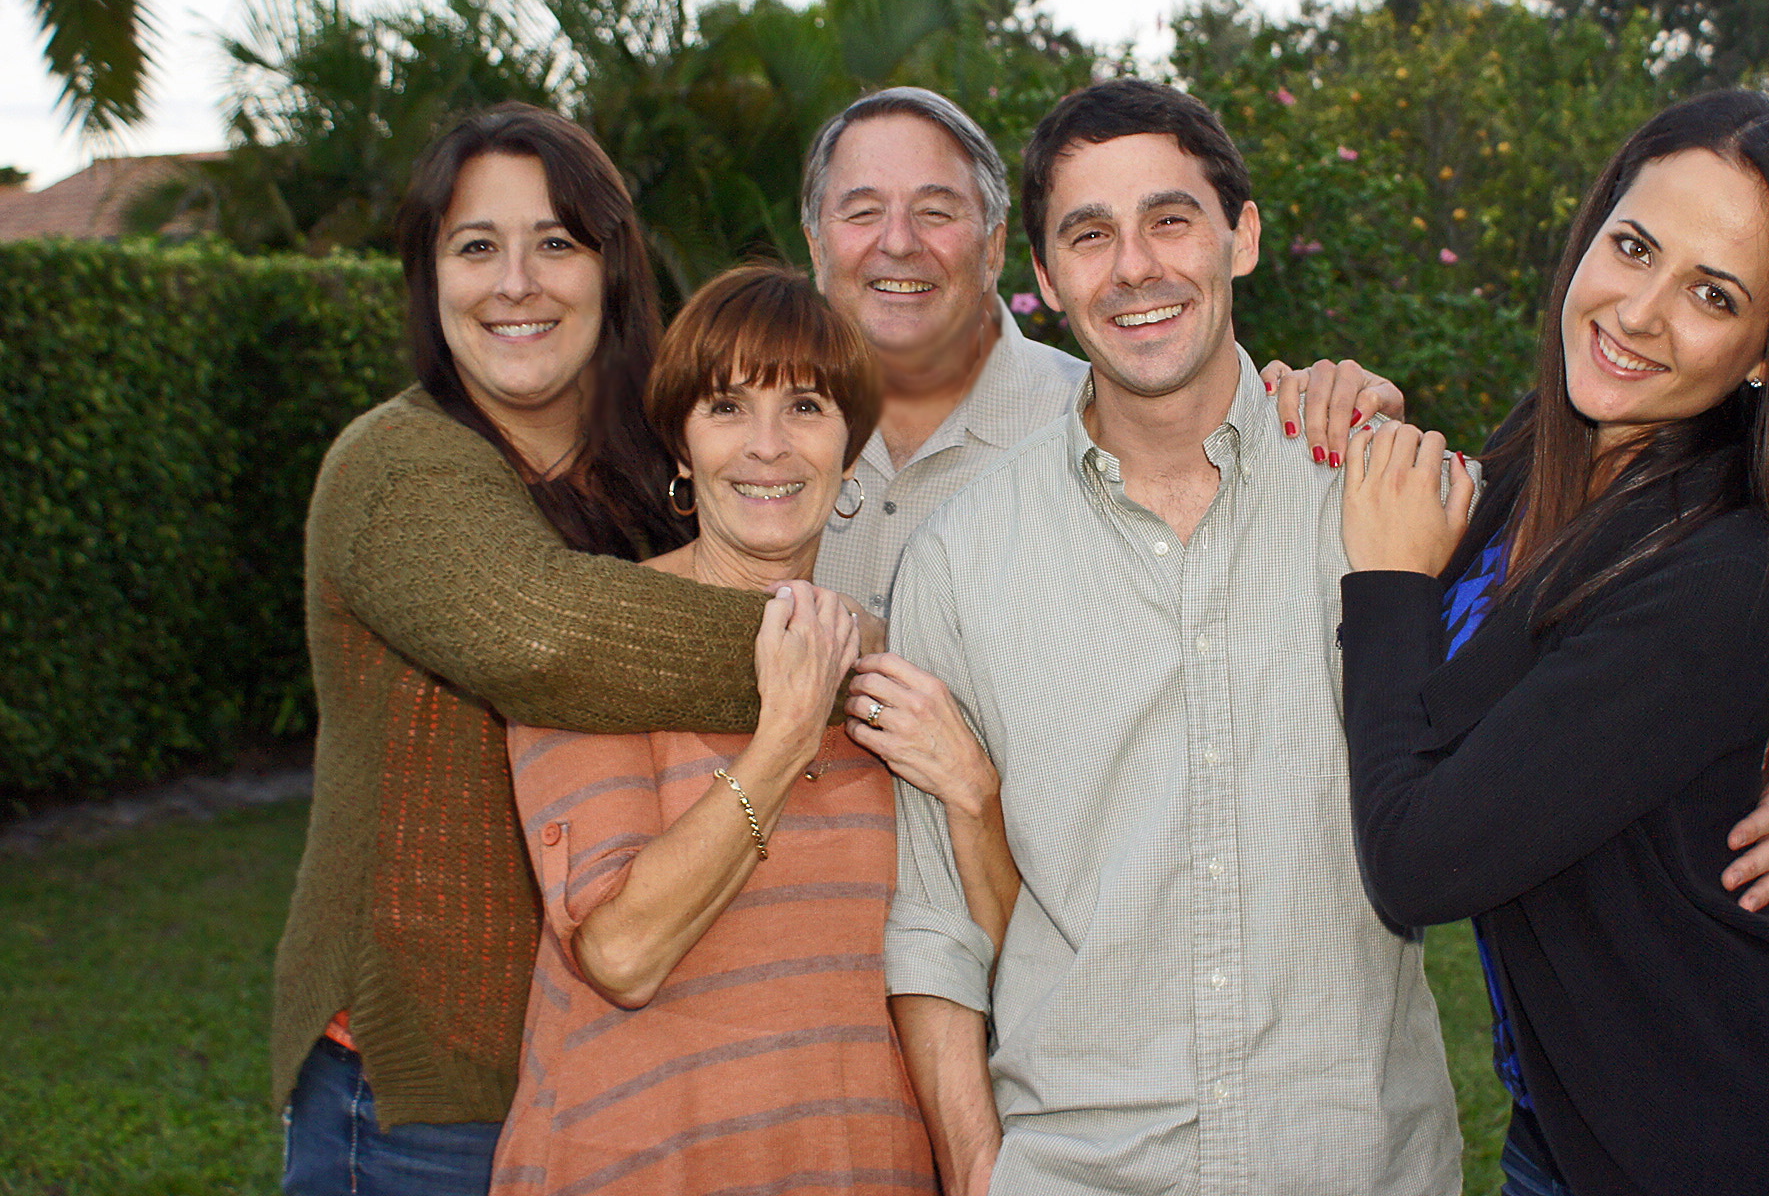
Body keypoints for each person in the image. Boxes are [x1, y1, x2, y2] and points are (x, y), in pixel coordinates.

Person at [879, 80, 1769, 1196]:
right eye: (1089, 234)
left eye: (1170, 219)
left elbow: (1599, 657)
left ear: (1244, 235)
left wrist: (1743, 767)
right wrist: (981, 1172)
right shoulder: (956, 560)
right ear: (1042, 279)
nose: (1134, 267)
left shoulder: (1397, 504)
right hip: (1076, 1172)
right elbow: (932, 921)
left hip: (1358, 1164)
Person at [1338, 89, 1769, 1195]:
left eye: (1711, 292)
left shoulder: (1728, 574)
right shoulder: (1533, 475)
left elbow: (1413, 864)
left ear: (1767, 353)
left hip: (1712, 1150)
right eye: (1633, 245)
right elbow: (1410, 712)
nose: (1639, 312)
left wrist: (1390, 580)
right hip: (1561, 1128)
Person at [277, 106, 775, 1194]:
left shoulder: (665, 463)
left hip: (635, 1076)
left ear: (611, 268)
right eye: (475, 247)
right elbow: (550, 635)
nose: (516, 282)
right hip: (435, 1099)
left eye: (555, 242)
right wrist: (829, 659)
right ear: (430, 279)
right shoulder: (396, 469)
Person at [491, 264, 1014, 1194]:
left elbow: (1000, 957)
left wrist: (974, 792)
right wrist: (784, 740)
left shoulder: (898, 664)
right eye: (728, 408)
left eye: (806, 408)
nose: (767, 448)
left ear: (851, 451)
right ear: (681, 450)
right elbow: (621, 955)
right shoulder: (601, 638)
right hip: (638, 1167)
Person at [800, 86, 1409, 611]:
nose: (900, 242)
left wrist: (1347, 421)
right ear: (815, 245)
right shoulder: (736, 436)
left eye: (936, 211)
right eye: (862, 212)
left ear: (994, 249)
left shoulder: (1101, 426)